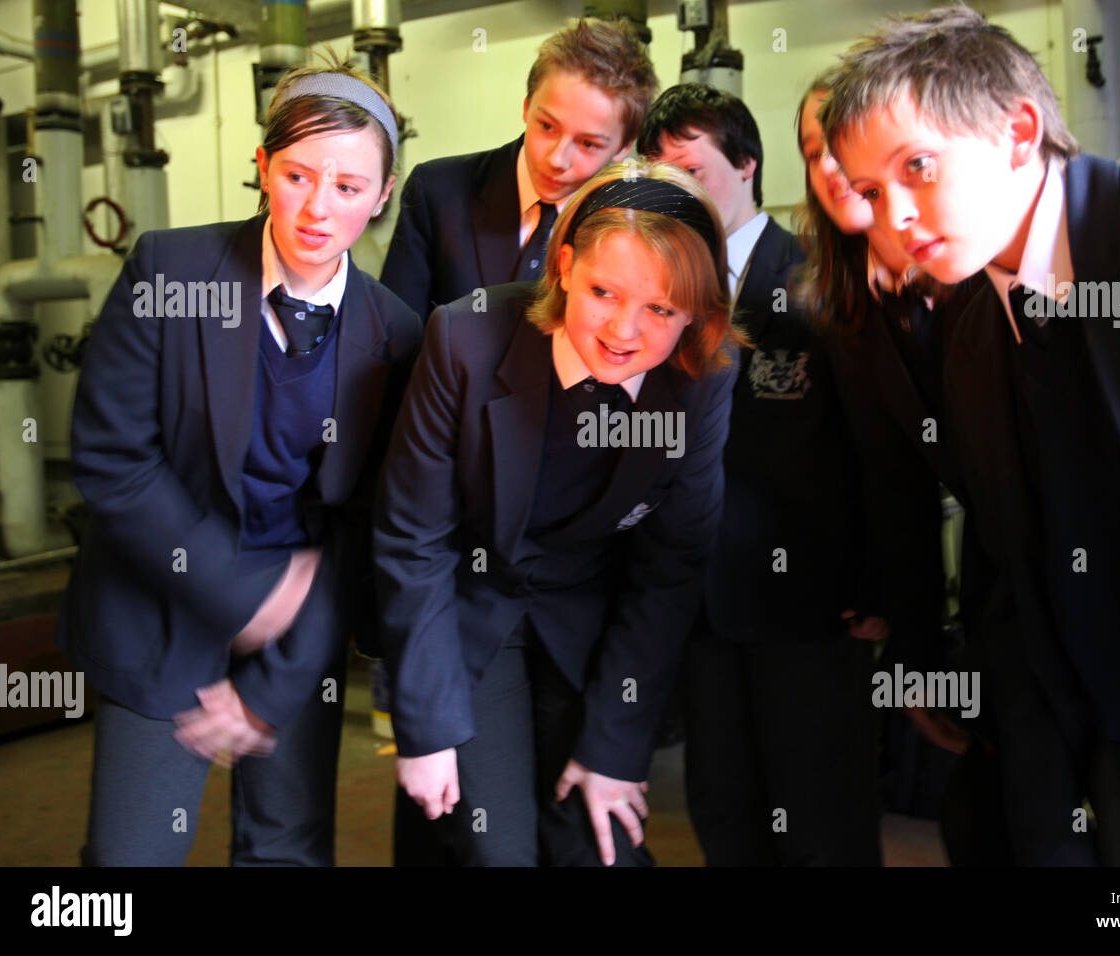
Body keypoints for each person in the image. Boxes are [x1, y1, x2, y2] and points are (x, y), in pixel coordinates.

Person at [824, 4, 1120, 865]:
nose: (896, 219)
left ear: (1019, 130)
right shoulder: (970, 337)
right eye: (873, 193)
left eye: (918, 167)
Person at [57, 59, 421, 866]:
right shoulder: (169, 269)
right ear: (262, 166)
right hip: (156, 610)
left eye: (351, 188)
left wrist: (282, 665)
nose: (319, 209)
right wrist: (245, 590)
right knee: (128, 861)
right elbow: (115, 461)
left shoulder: (398, 332)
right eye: (296, 174)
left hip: (298, 635)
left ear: (386, 192)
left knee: (285, 849)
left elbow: (365, 525)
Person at [374, 160, 739, 867]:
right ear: (564, 265)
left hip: (593, 622)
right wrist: (426, 725)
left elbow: (670, 569)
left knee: (598, 843)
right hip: (470, 610)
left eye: (661, 309)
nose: (623, 331)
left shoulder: (701, 378)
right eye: (603, 291)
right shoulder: (464, 339)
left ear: (697, 311)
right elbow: (413, 540)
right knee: (492, 848)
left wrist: (615, 746)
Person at [636, 82, 880, 865]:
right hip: (702, 613)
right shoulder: (658, 292)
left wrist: (882, 583)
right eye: (661, 177)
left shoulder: (820, 279)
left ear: (746, 165)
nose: (678, 193)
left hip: (810, 608)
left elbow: (876, 444)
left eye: (692, 170)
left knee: (820, 822)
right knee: (724, 812)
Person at [796, 70, 1027, 865]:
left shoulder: (987, 271)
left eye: (853, 150)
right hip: (991, 599)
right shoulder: (843, 308)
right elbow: (896, 489)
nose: (832, 169)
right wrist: (916, 656)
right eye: (815, 151)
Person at [379, 17, 658, 324]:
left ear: (622, 147)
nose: (557, 159)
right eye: (547, 126)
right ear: (527, 105)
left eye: (588, 144)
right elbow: (396, 339)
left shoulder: (635, 226)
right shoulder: (437, 193)